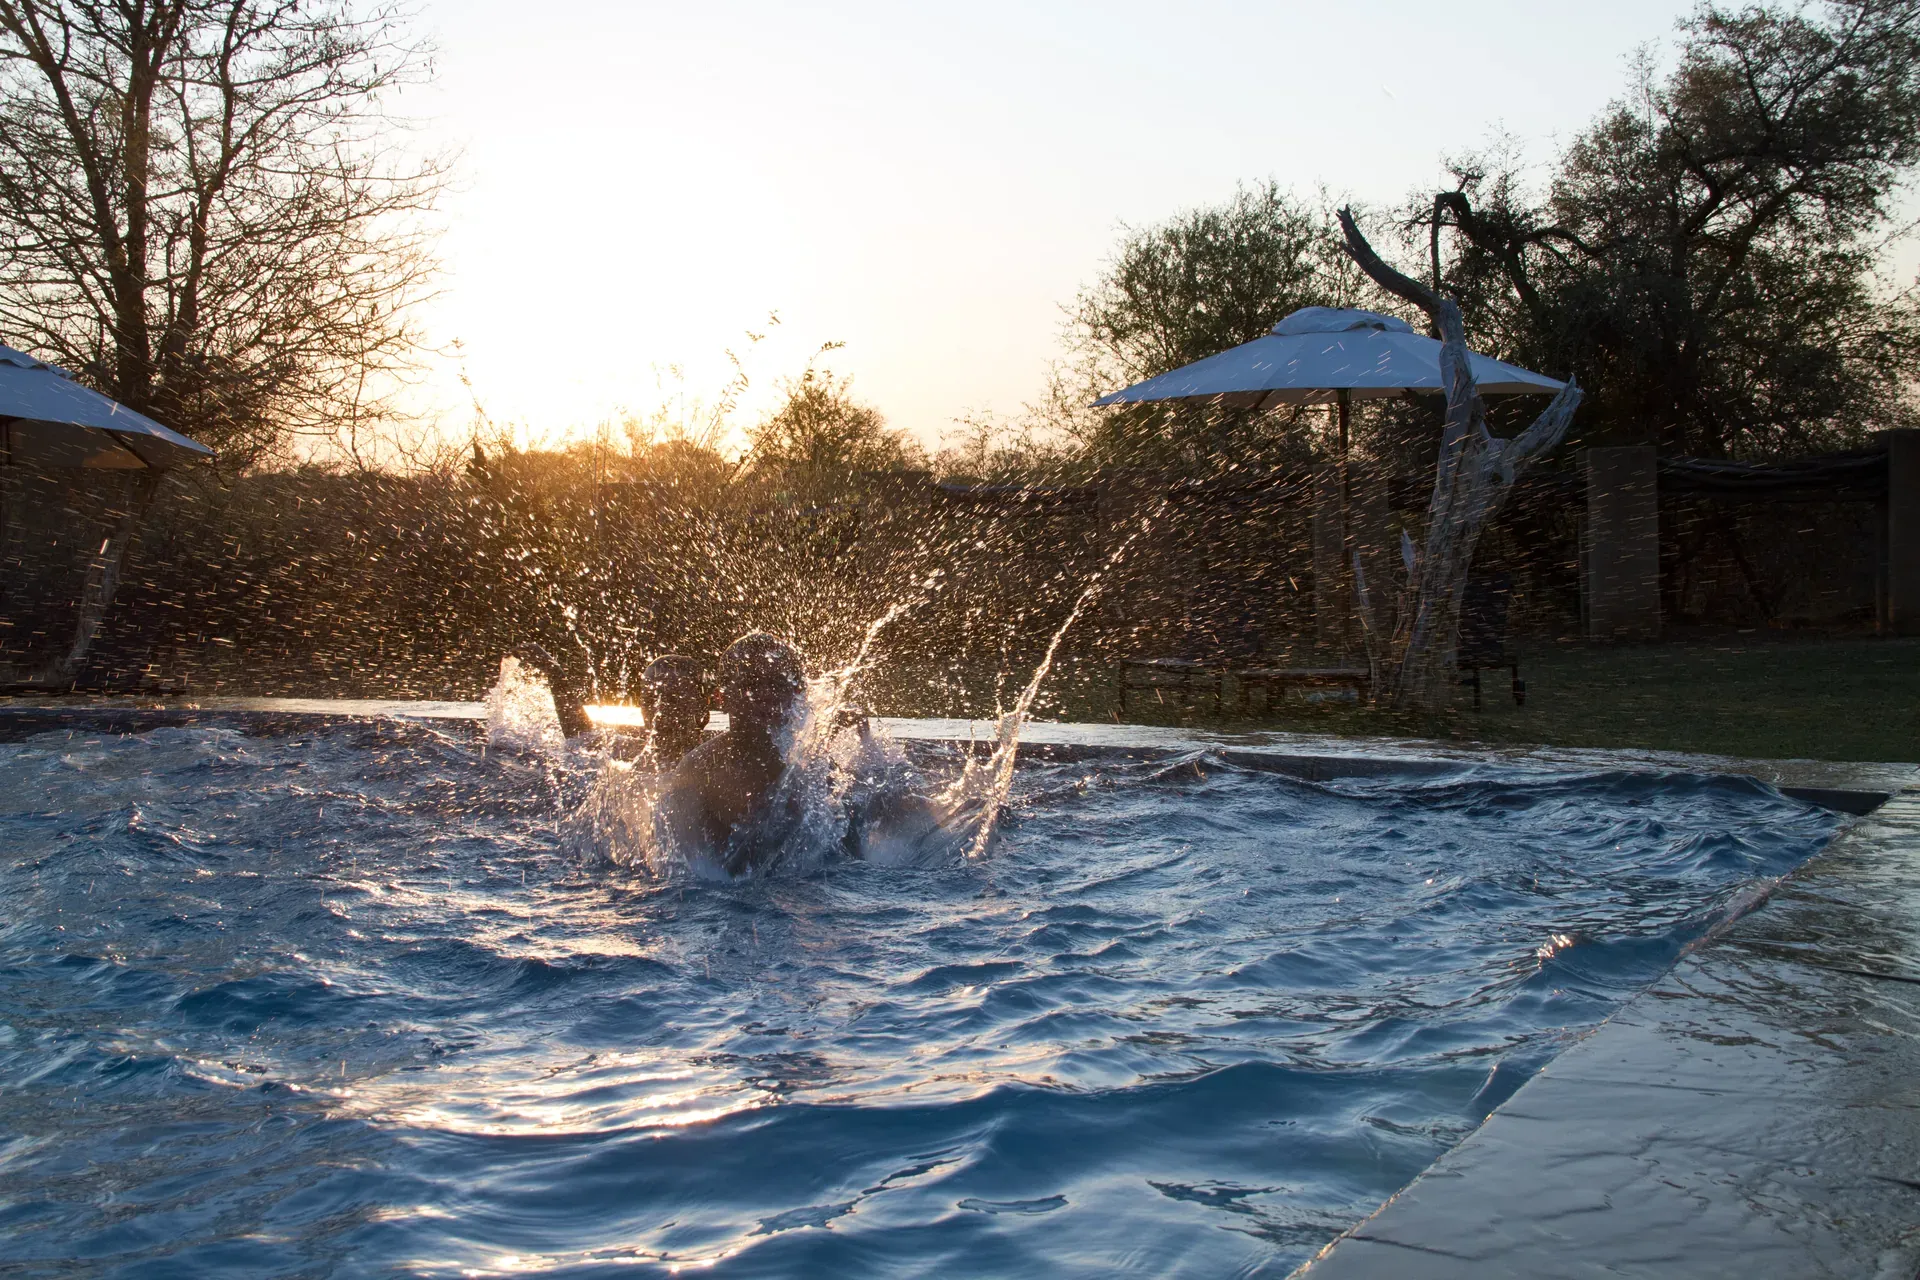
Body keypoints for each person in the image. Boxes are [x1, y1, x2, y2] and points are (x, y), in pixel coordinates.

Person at [652, 632, 809, 876]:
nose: (766, 695)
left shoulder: (815, 771)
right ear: (721, 697)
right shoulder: (698, 770)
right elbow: (679, 870)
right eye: (751, 684)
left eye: (778, 684)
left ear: (797, 694)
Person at [637, 654, 710, 765]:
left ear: (703, 708)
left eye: (672, 699)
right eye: (650, 700)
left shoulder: (718, 764)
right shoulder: (620, 758)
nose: (659, 710)